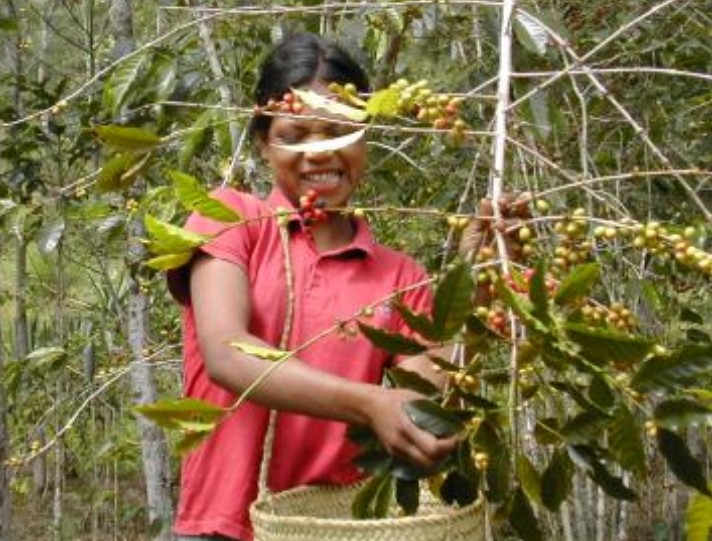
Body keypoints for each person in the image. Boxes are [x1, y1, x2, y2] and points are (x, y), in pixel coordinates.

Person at [167, 33, 458, 541]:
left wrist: (477, 284)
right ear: (263, 142)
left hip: (326, 527)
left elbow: (423, 405)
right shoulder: (231, 220)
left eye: (339, 131)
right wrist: (369, 403)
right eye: (295, 135)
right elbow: (226, 353)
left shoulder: (401, 278)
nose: (319, 153)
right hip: (218, 530)